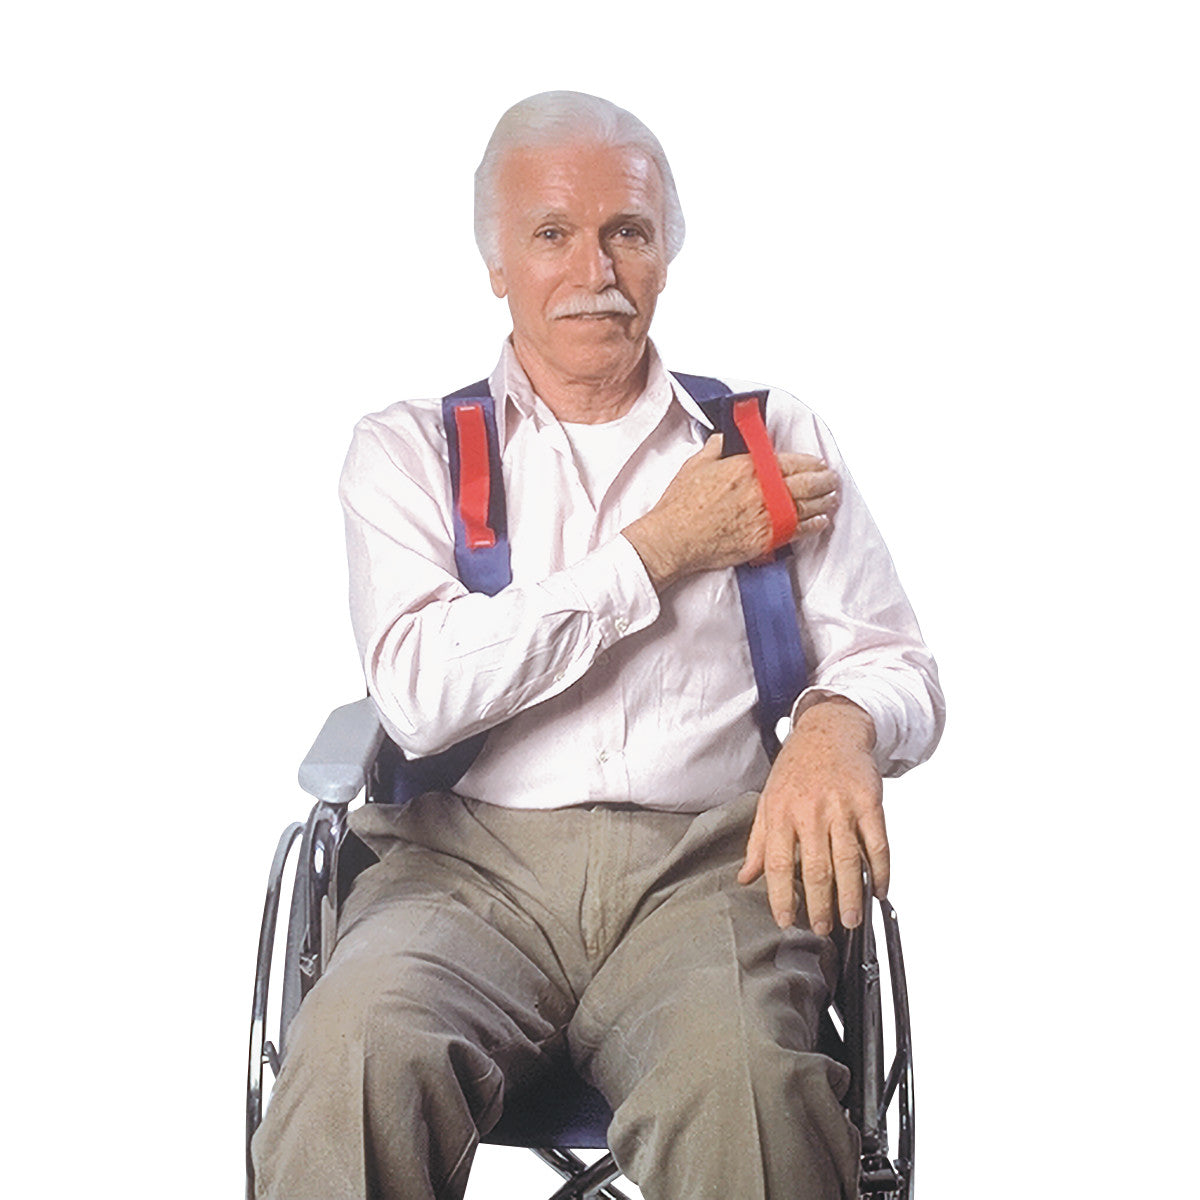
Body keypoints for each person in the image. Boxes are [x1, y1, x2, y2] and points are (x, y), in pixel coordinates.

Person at [252, 90, 944, 1200]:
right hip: (459, 876)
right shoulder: (409, 453)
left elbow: (894, 658)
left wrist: (840, 720)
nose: (596, 268)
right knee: (357, 1056)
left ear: (665, 250)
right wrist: (660, 549)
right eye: (552, 234)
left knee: (751, 1094)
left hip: (711, 874)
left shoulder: (769, 439)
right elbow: (422, 697)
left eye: (627, 230)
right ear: (497, 265)